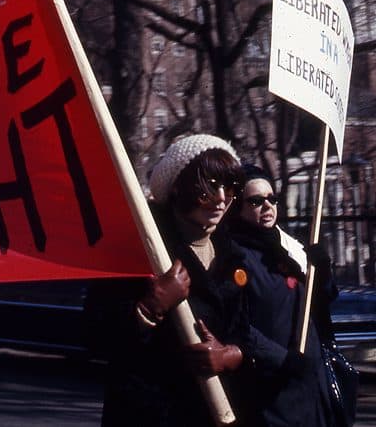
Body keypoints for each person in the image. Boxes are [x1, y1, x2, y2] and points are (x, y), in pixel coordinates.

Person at [88, 134, 254, 427]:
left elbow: (250, 331)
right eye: (208, 189)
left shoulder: (234, 256)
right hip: (152, 415)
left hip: (218, 413)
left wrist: (231, 355)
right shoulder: (139, 248)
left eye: (229, 187)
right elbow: (95, 337)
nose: (221, 199)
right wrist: (149, 308)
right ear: (178, 188)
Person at [225, 164, 340, 426]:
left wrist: (322, 271)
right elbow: (237, 324)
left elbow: (319, 303)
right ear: (237, 207)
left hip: (312, 386)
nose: (267, 207)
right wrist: (282, 359)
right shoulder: (233, 256)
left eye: (271, 199)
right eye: (255, 201)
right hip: (271, 390)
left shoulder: (290, 247)